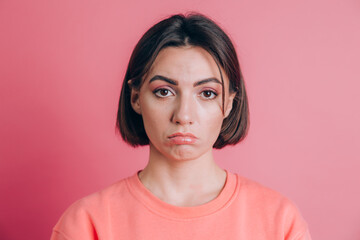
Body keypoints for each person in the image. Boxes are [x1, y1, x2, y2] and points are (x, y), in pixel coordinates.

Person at [50, 13, 312, 239]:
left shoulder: (279, 220)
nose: (183, 115)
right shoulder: (87, 223)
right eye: (164, 92)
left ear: (230, 103)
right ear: (136, 98)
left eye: (207, 93)